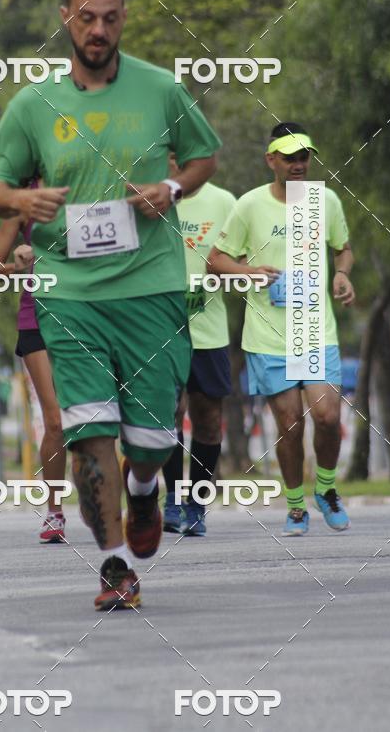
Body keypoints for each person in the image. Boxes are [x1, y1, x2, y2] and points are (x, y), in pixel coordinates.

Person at [0, 0, 219, 609]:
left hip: (151, 288)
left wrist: (170, 188)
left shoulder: (161, 89)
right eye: (86, 17)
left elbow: (203, 157)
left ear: (123, 19)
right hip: (70, 295)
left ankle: (145, 492)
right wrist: (26, 201)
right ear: (68, 19)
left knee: (152, 441)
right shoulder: (34, 104)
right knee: (87, 433)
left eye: (110, 17)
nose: (98, 29)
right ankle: (115, 565)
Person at [208, 123, 355, 536]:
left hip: (314, 328)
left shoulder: (322, 201)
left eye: (304, 156)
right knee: (290, 424)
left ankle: (325, 489)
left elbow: (343, 249)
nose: (298, 164)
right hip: (268, 334)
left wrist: (341, 275)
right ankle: (295, 505)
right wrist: (250, 271)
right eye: (289, 157)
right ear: (271, 160)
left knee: (327, 416)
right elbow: (216, 260)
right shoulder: (250, 206)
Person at [0, 188, 67, 544]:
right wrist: (17, 267)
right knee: (56, 421)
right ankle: (54, 511)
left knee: (99, 417)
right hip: (39, 318)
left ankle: (131, 499)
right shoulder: (24, 204)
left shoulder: (93, 190)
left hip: (93, 315)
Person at [162, 157, 236, 536]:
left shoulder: (224, 202)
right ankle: (172, 499)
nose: (171, 160)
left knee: (207, 422)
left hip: (209, 331)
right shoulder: (149, 200)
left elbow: (238, 258)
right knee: (167, 416)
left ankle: (198, 504)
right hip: (159, 328)